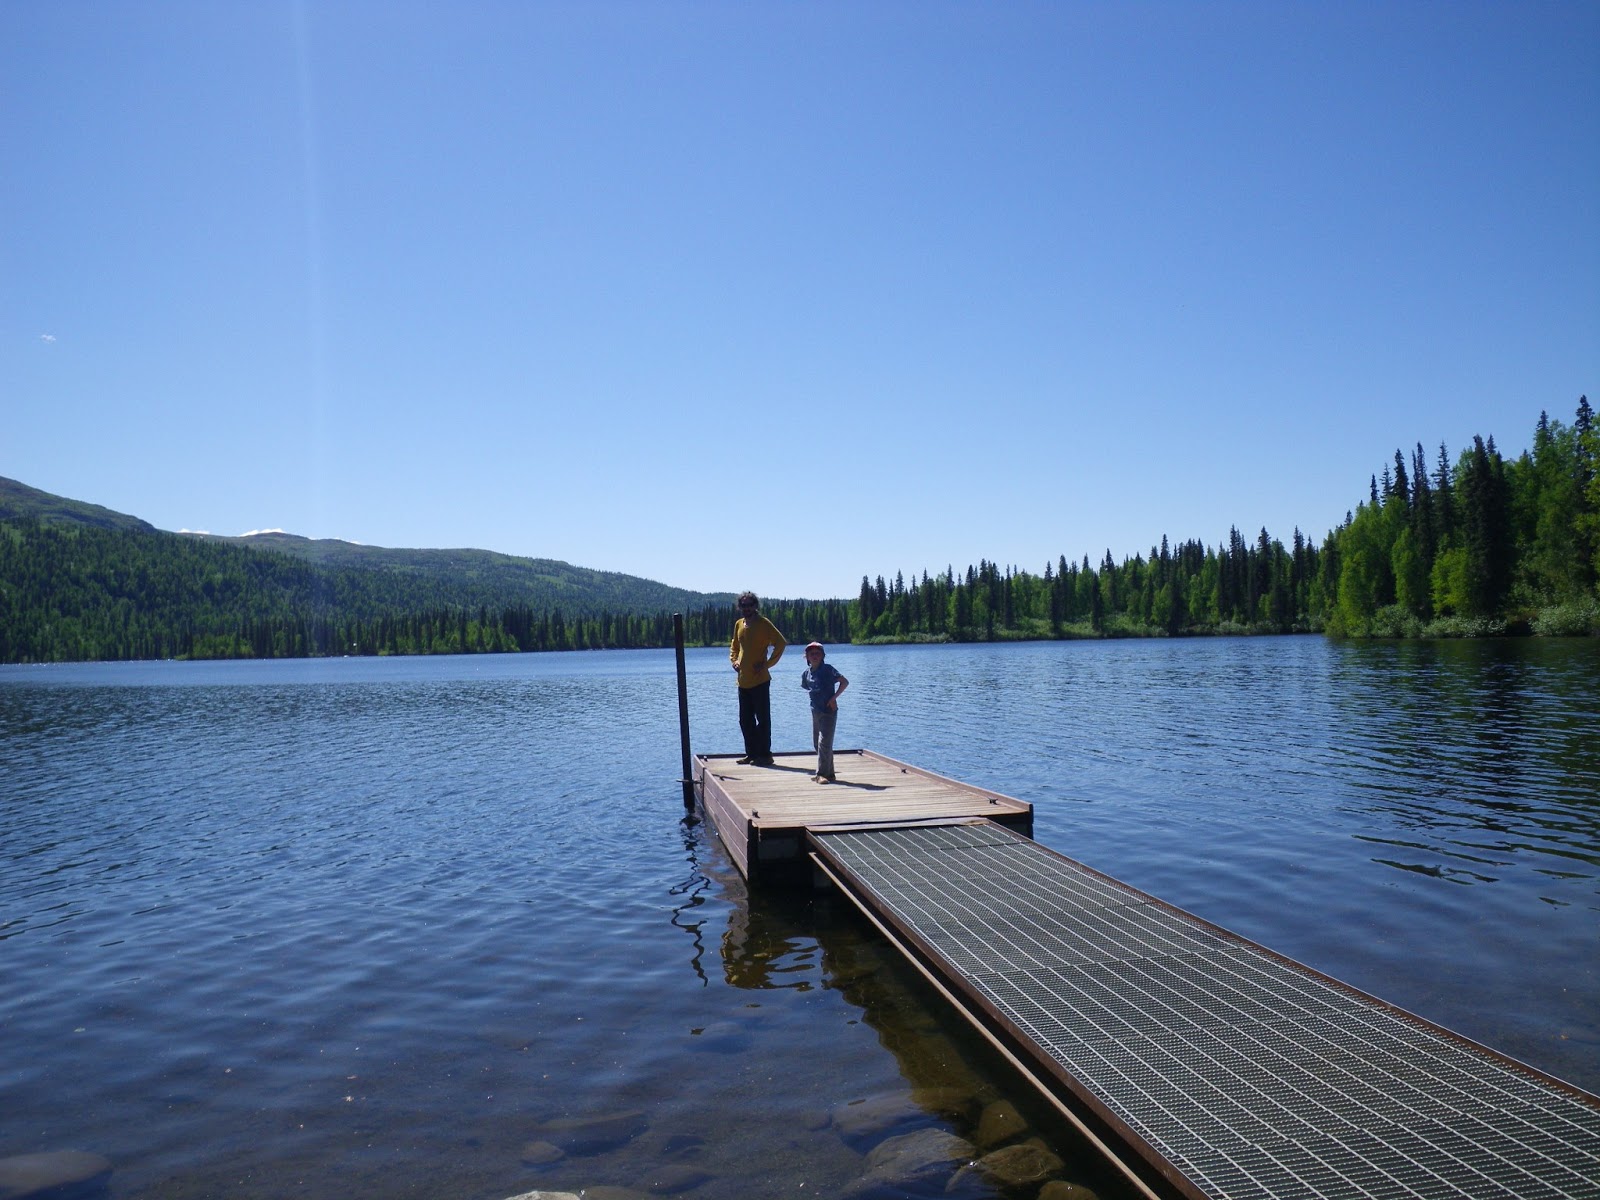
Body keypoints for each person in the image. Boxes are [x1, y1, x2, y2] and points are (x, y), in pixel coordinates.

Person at [729, 592, 786, 766]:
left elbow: (781, 643)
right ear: (740, 607)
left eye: (750, 605)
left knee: (763, 719)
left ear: (755, 606)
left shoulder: (763, 624)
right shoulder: (739, 624)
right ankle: (751, 754)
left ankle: (765, 755)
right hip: (743, 681)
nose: (747, 608)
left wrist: (767, 664)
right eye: (744, 605)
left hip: (760, 680)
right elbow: (735, 646)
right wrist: (735, 661)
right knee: (745, 720)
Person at [799, 641, 848, 783]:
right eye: (811, 654)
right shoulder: (806, 674)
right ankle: (830, 773)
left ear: (822, 656)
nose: (814, 656)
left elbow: (844, 682)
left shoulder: (828, 669)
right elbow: (809, 689)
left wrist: (834, 698)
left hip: (829, 711)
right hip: (815, 711)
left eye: (817, 653)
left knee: (824, 743)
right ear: (807, 657)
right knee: (817, 743)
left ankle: (821, 774)